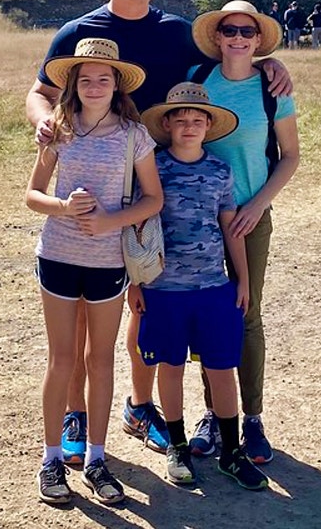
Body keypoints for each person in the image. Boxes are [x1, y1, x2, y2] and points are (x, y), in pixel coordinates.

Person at [25, 0, 293, 466]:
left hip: (163, 193)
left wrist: (269, 64)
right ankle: (87, 411)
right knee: (94, 314)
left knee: (153, 304)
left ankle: (158, 409)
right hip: (98, 192)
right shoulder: (77, 33)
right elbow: (41, 94)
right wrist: (46, 127)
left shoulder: (176, 34)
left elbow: (226, 58)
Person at [26, 38, 163, 506]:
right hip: (58, 257)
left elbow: (153, 199)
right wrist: (63, 208)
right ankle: (50, 461)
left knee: (100, 359)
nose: (94, 85)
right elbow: (32, 195)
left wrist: (109, 221)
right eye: (85, 78)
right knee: (61, 360)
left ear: (117, 85)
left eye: (104, 78)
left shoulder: (133, 134)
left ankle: (98, 459)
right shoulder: (57, 129)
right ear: (73, 85)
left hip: (107, 262)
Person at [182, 0, 301, 465]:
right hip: (198, 218)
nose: (237, 38)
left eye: (247, 32)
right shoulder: (197, 79)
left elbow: (290, 155)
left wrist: (257, 205)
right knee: (206, 316)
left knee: (247, 315)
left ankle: (252, 419)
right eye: (229, 30)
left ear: (258, 39)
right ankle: (213, 415)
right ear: (217, 37)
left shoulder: (273, 89)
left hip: (250, 217)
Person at [134, 82, 268, 491]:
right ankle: (176, 445)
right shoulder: (151, 169)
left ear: (209, 126)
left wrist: (242, 278)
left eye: (198, 120)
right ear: (168, 124)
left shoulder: (219, 171)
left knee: (221, 369)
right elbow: (136, 228)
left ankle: (231, 451)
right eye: (181, 120)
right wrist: (134, 284)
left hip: (213, 287)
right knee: (170, 367)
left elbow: (231, 228)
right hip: (162, 288)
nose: (189, 126)